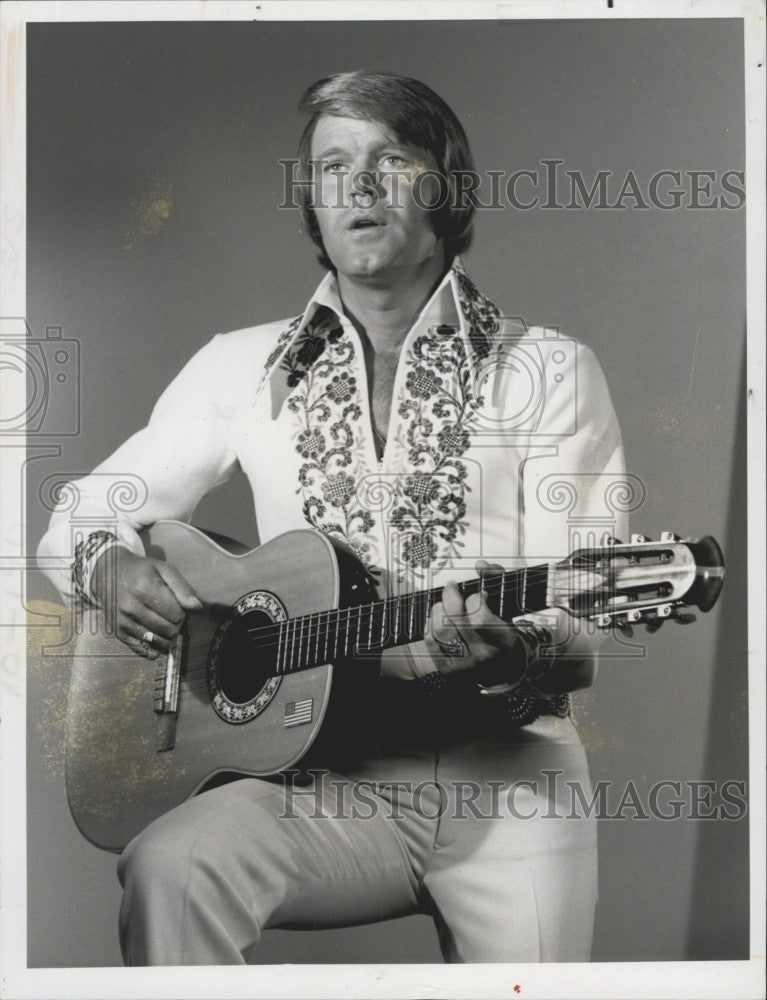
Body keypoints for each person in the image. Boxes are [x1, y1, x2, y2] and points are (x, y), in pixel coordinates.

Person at [38, 70, 628, 965]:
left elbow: (582, 618)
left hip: (510, 783)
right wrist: (108, 567)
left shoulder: (548, 370)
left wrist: (513, 652)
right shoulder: (238, 367)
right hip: (319, 780)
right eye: (331, 166)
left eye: (390, 159)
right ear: (310, 203)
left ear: (445, 187)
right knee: (172, 868)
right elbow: (80, 514)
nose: (357, 186)